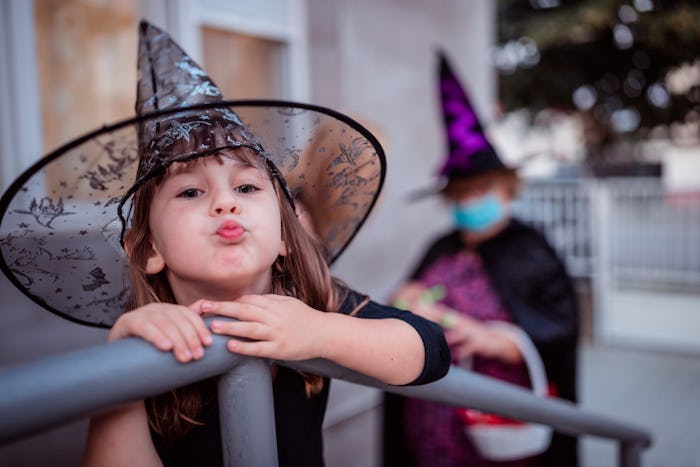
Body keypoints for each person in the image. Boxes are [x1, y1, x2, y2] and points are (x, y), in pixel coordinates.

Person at [0, 22, 449, 467]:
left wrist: (320, 331)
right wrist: (122, 361)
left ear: (285, 238)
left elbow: (430, 349)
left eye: (247, 188)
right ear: (148, 249)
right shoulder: (155, 338)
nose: (224, 204)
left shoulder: (307, 300)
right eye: (191, 192)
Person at [383, 52, 579, 467]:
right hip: (431, 417)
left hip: (499, 420)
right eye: (460, 193)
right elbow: (402, 296)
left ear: (508, 189)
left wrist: (499, 341)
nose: (470, 200)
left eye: (481, 189)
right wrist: (405, 297)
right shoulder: (441, 245)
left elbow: (558, 330)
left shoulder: (531, 248)